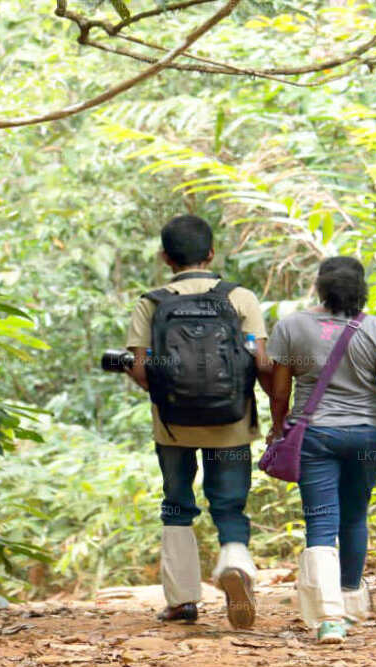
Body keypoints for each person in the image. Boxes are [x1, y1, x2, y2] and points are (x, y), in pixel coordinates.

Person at [266, 256, 376, 644]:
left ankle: (330, 619)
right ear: (362, 287)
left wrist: (279, 428)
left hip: (315, 434)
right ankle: (351, 603)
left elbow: (280, 391)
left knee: (321, 522)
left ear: (320, 286)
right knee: (355, 517)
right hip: (368, 435)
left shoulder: (292, 326)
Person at [125, 215, 274, 629]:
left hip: (172, 425)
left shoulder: (151, 302)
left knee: (176, 504)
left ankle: (182, 601)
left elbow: (138, 367)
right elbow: (261, 362)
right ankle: (235, 561)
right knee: (229, 501)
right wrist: (268, 404)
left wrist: (168, 395)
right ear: (211, 253)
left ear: (164, 257)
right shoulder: (240, 298)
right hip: (232, 421)